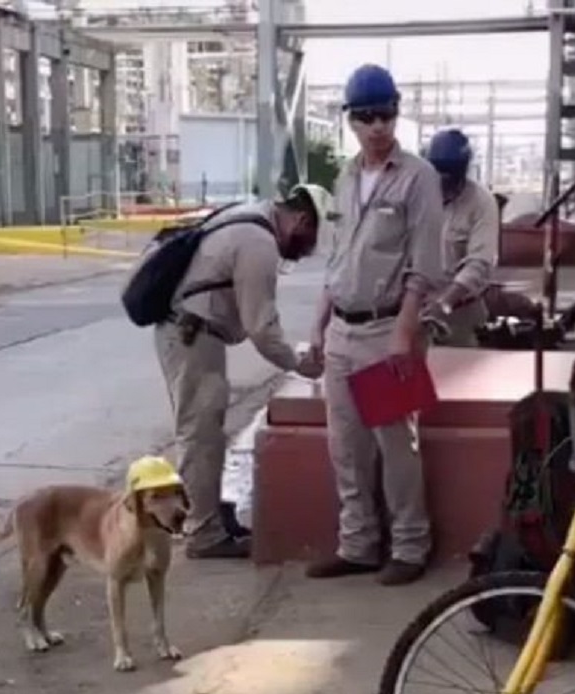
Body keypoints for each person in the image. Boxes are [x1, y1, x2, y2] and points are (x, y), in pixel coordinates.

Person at [305, 64, 444, 586]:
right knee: (346, 446)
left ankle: (410, 545)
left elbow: (426, 264)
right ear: (350, 120)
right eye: (365, 117)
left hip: (388, 331)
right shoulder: (343, 178)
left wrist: (405, 332)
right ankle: (358, 545)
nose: (377, 126)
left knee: (395, 446)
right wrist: (318, 327)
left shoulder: (418, 178)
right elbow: (336, 260)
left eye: (385, 114)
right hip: (342, 330)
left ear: (397, 112)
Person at [154, 183, 332, 560]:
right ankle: (203, 534)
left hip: (192, 333)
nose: (303, 251)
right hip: (191, 336)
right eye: (309, 239)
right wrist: (304, 365)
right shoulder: (258, 243)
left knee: (208, 433)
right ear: (301, 220)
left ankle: (209, 513)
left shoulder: (248, 215)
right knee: (200, 434)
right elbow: (262, 329)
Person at [422, 128, 501, 347]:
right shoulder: (417, 197)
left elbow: (480, 262)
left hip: (461, 312)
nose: (443, 184)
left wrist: (444, 301)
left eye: (450, 178)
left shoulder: (481, 203)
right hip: (416, 308)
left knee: (462, 374)